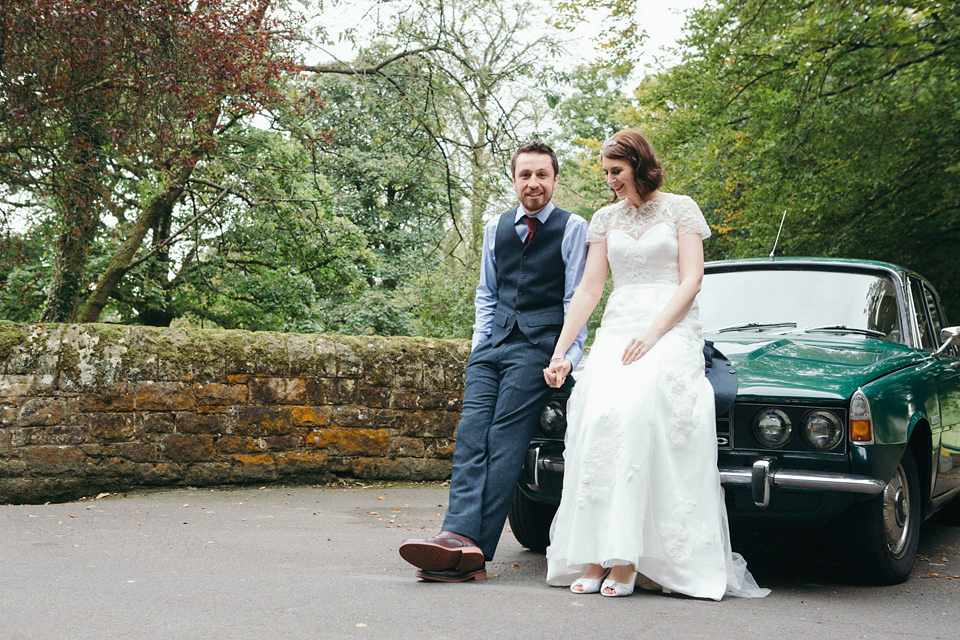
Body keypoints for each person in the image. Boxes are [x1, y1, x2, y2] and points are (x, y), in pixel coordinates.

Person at [542, 130, 769, 599]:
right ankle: (593, 554)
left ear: (640, 166)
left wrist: (653, 333)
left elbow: (692, 280)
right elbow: (589, 290)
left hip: (671, 329)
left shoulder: (680, 208)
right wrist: (560, 351)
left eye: (616, 172)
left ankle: (627, 559)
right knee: (594, 413)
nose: (610, 182)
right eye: (605, 173)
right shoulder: (604, 219)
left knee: (639, 410)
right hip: (618, 330)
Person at [399, 140, 589, 582]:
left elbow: (576, 299)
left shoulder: (573, 227)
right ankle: (456, 537)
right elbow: (487, 292)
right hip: (492, 346)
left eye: (542, 174)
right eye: (525, 175)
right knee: (471, 435)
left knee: (504, 438)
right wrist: (478, 344)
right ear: (514, 180)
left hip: (539, 346)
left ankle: (471, 548)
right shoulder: (496, 227)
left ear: (555, 179)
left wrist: (566, 355)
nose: (533, 183)